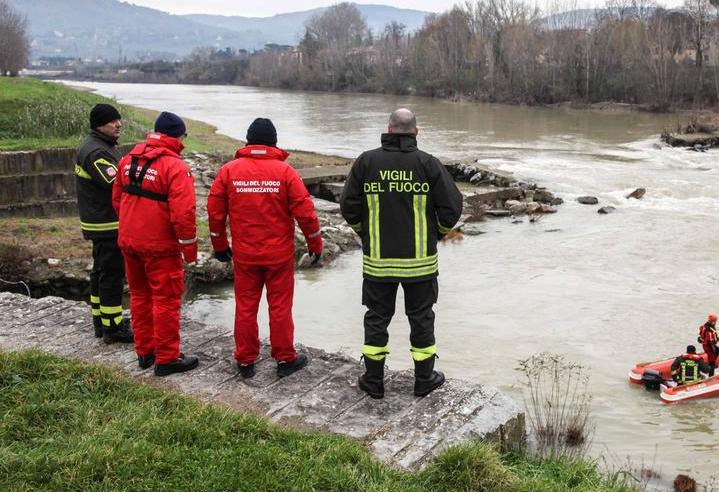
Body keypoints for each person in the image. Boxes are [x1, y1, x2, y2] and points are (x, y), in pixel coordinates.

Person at [340, 108, 463, 399]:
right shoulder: (428, 164)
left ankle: (373, 381)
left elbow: (348, 207)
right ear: (416, 132)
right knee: (421, 319)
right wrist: (436, 234)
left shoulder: (366, 162)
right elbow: (452, 207)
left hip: (378, 263)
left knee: (376, 318)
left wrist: (365, 233)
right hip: (420, 264)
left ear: (389, 129)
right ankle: (424, 380)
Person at [207, 118, 324, 379]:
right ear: (274, 143)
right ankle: (285, 358)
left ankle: (245, 360)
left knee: (245, 307)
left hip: (245, 255)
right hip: (278, 256)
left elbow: (215, 213)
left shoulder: (229, 171)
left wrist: (220, 245)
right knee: (280, 307)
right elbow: (306, 214)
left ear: (248, 141)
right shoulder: (286, 172)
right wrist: (315, 245)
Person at [112, 112, 199, 376]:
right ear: (178, 136)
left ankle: (145, 352)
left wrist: (133, 227)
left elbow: (117, 200)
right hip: (160, 247)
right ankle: (167, 358)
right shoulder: (175, 167)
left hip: (130, 242)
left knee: (139, 296)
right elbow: (184, 215)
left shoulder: (128, 160)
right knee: (166, 301)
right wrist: (190, 251)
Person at [75, 103, 132, 343]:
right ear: (99, 124)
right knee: (111, 274)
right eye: (112, 121)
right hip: (107, 224)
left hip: (99, 221)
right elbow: (117, 184)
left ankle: (101, 321)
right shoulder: (97, 152)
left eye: (119, 120)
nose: (118, 124)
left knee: (100, 272)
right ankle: (113, 328)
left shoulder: (98, 145)